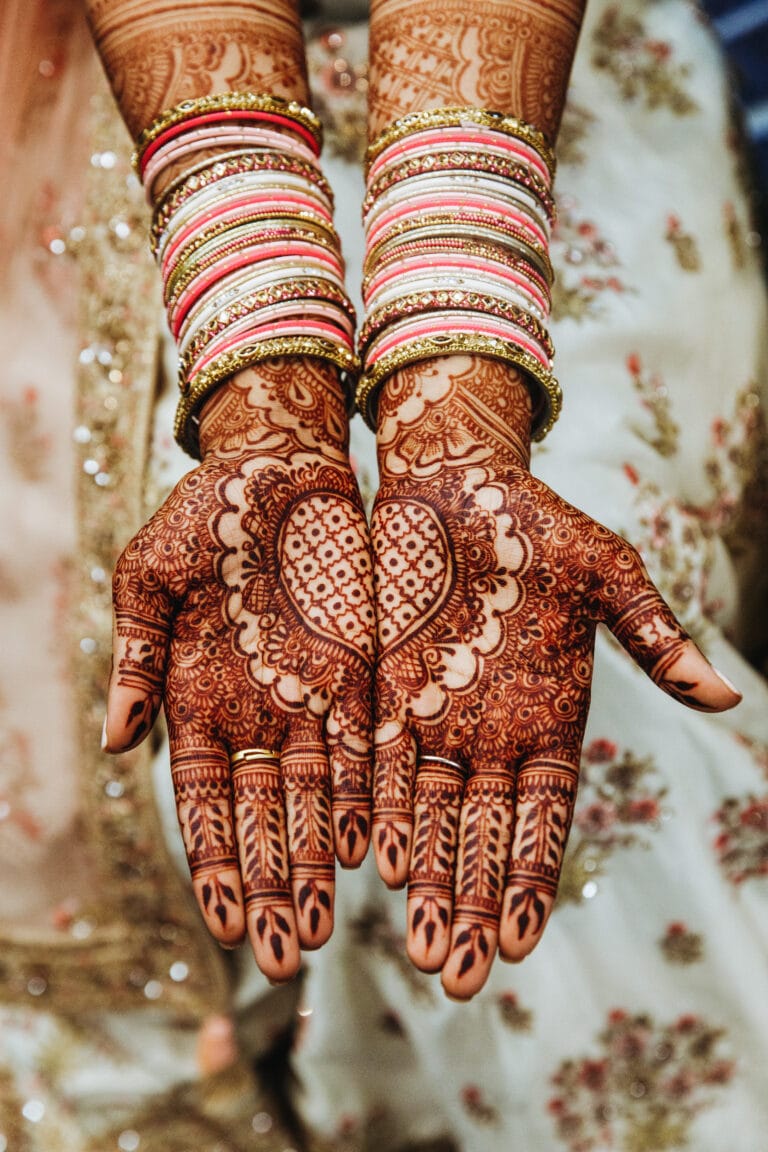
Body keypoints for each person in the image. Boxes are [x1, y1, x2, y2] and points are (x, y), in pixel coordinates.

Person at [1, 0, 767, 1149]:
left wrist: (454, 396)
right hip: (119, 102)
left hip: (535, 83)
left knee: (574, 714)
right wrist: (270, 408)